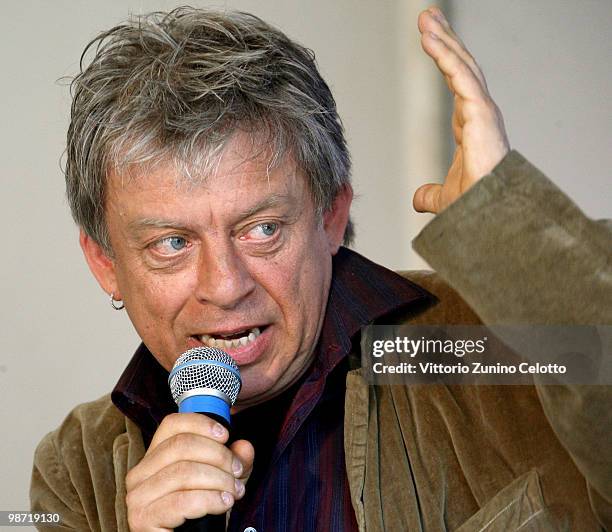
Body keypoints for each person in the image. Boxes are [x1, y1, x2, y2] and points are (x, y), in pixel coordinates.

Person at [30, 6, 611, 532]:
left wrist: (514, 231)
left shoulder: (488, 347)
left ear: (332, 216)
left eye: (261, 230)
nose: (226, 287)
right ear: (105, 263)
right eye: (173, 243)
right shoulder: (77, 474)